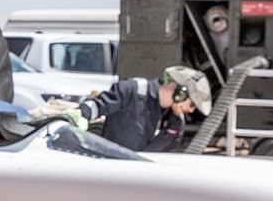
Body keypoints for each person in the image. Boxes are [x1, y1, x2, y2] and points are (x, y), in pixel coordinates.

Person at [67, 64, 212, 152]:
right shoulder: (133, 90)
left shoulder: (170, 117)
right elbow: (98, 105)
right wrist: (81, 114)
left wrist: (176, 123)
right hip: (111, 171)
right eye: (192, 104)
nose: (191, 110)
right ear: (181, 93)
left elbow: (159, 149)